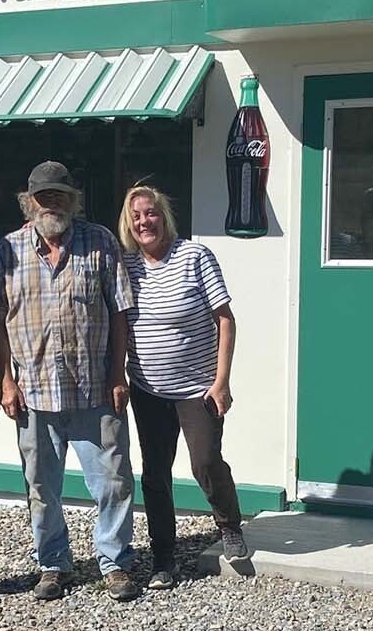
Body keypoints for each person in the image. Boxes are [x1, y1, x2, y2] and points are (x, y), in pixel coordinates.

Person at [0, 161, 142, 603]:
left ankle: (114, 561)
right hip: (33, 392)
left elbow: (119, 312)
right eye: (43, 196)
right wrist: (5, 382)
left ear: (73, 199)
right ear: (28, 202)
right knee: (40, 487)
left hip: (94, 388)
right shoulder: (8, 250)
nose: (51, 203)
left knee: (113, 481)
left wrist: (118, 375)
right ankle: (53, 564)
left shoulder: (100, 242)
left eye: (59, 194)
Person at [117, 185, 249, 590]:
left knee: (205, 461)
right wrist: (118, 375)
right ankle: (163, 558)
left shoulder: (194, 256)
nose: (145, 221)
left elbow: (225, 319)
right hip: (147, 389)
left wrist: (221, 382)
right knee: (155, 474)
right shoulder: (127, 265)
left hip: (197, 388)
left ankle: (228, 524)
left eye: (151, 213)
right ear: (129, 223)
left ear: (164, 216)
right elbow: (121, 323)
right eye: (136, 216)